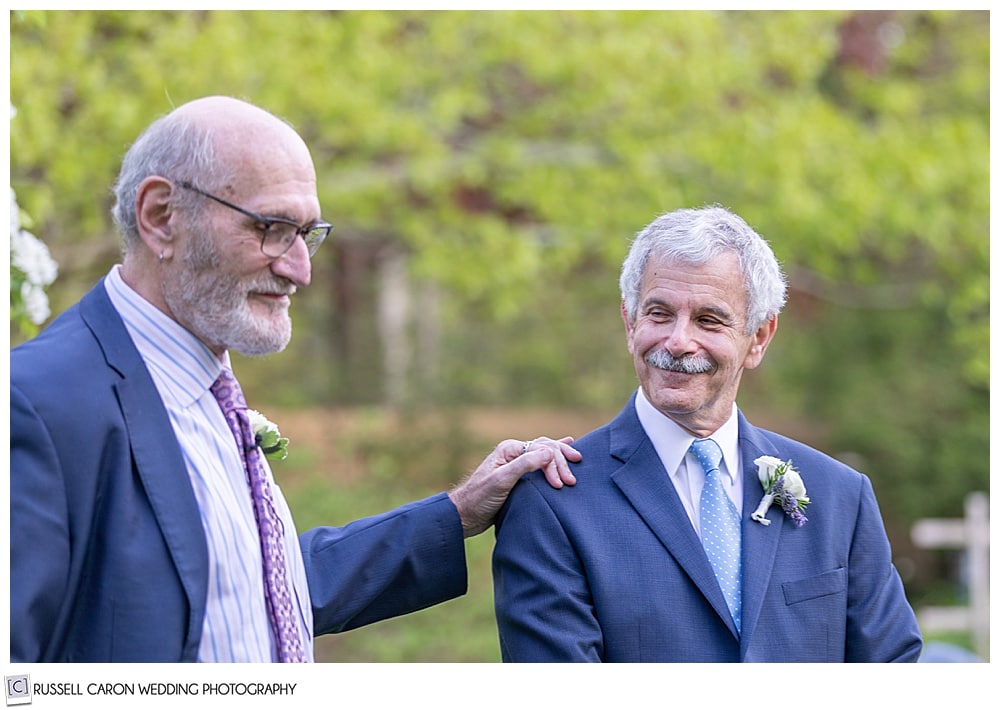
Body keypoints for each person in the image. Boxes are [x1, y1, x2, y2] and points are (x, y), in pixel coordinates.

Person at [9, 95, 581, 663]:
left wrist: (456, 513)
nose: (299, 270)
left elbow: (251, 594)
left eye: (306, 234)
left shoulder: (206, 383)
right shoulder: (35, 407)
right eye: (272, 228)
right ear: (161, 217)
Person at [492, 205, 922, 662]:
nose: (678, 341)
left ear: (758, 337)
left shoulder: (840, 496)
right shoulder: (552, 500)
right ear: (629, 322)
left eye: (708, 320)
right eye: (659, 313)